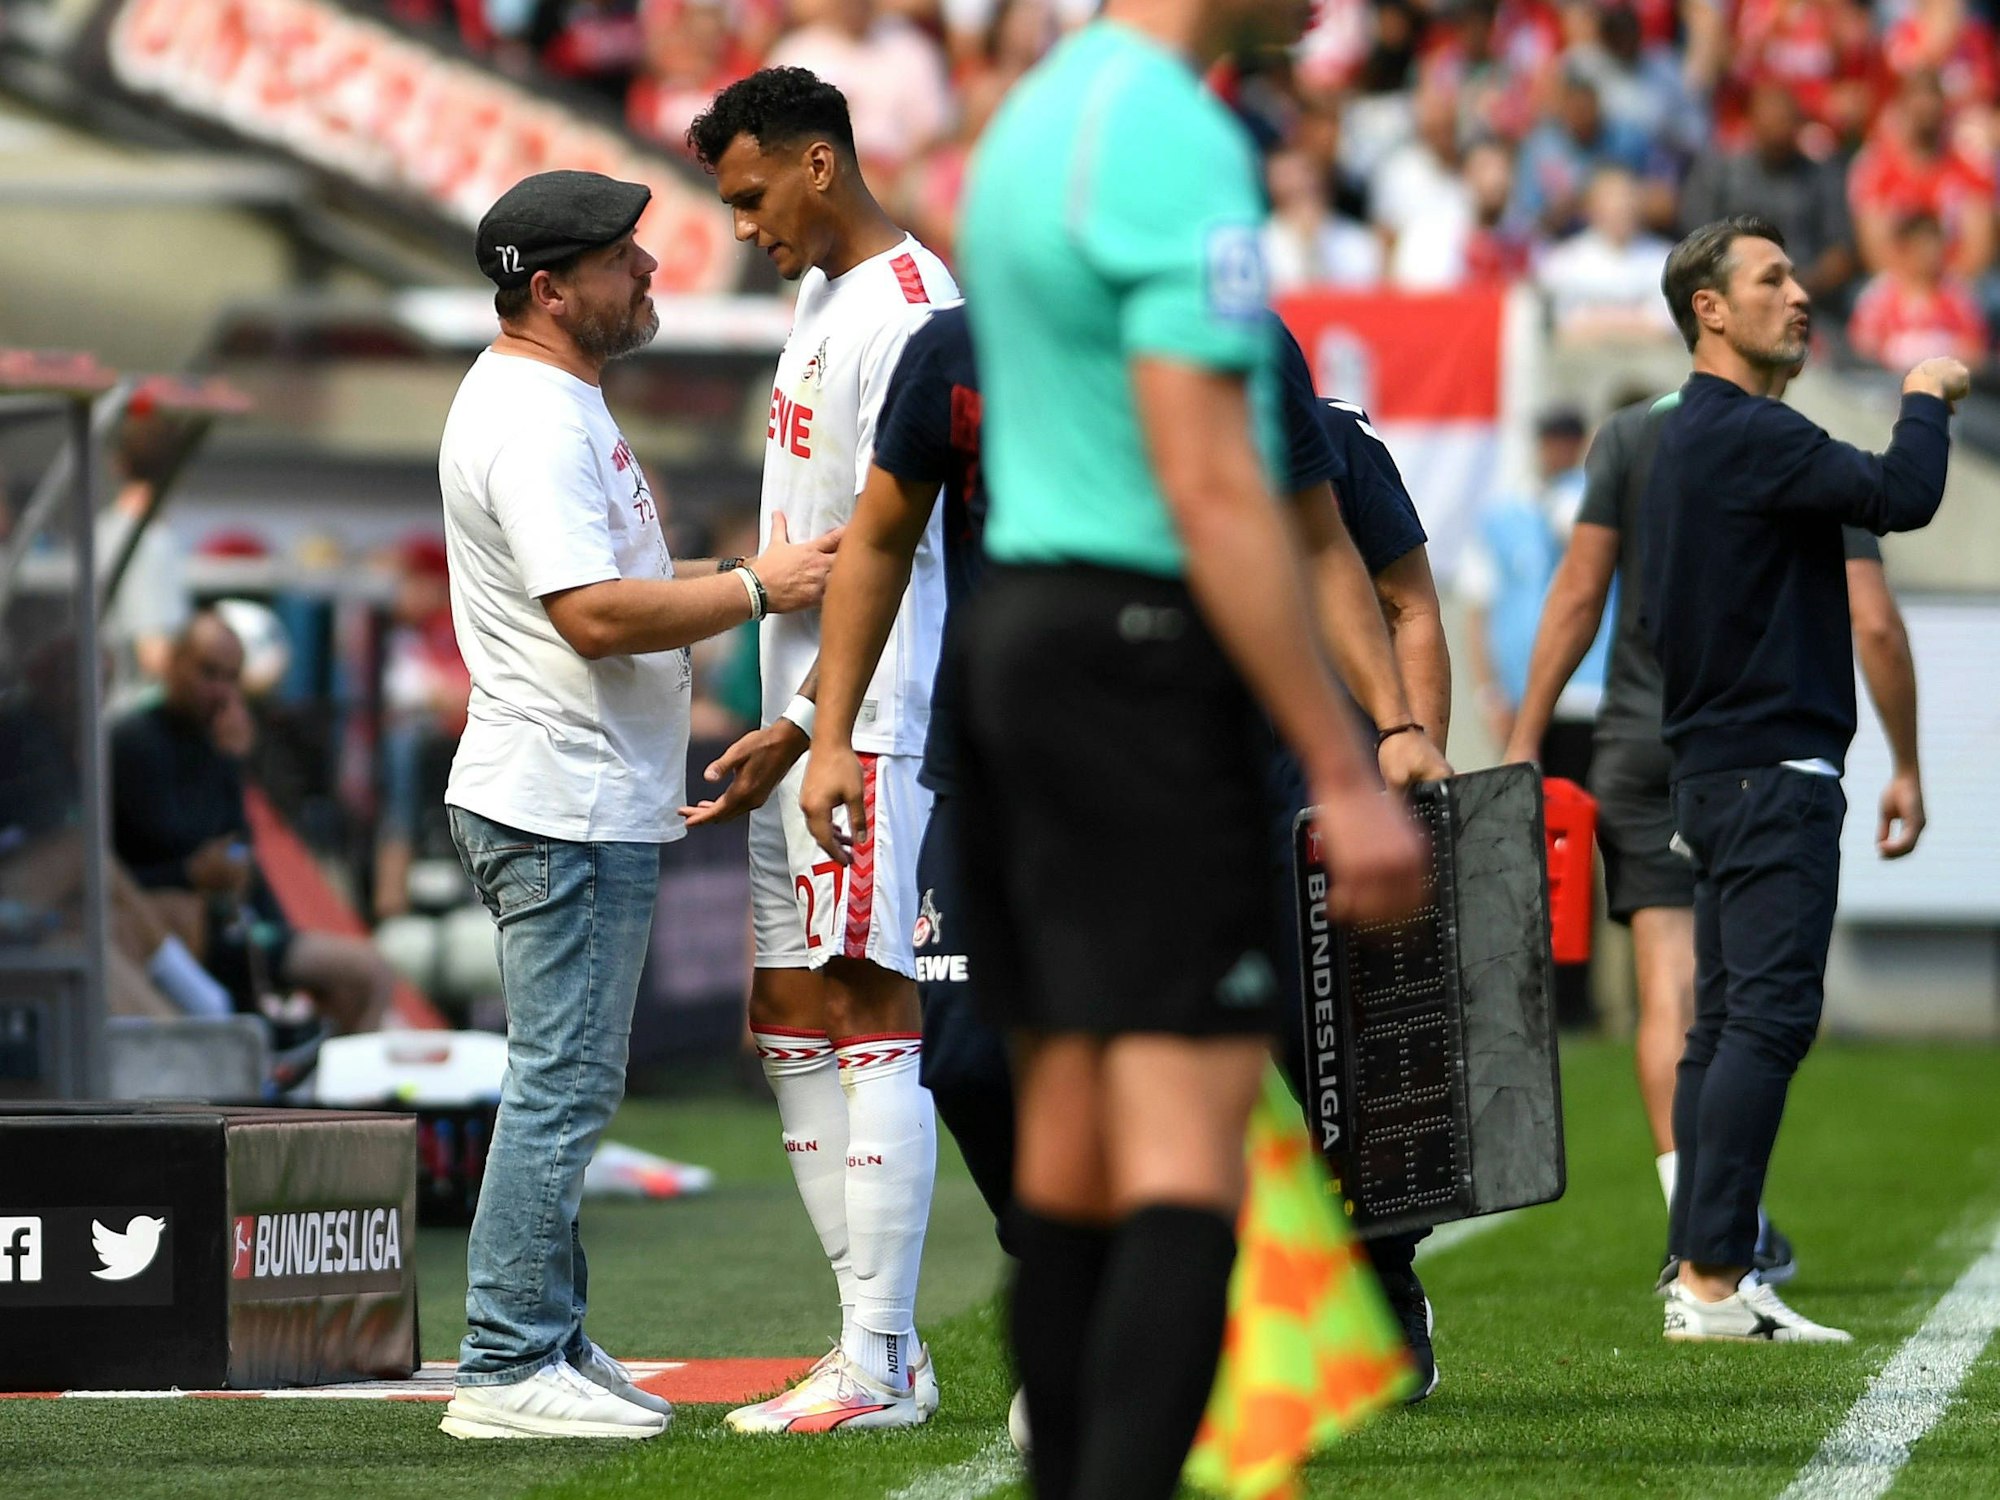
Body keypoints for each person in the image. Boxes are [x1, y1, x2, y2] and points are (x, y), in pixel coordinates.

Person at [798, 305, 1454, 1432]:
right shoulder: (954, 353)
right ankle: (1083, 1284)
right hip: (1002, 763)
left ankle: (1374, 1268)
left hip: (1217, 756)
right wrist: (827, 735)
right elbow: (878, 536)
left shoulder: (1236, 341)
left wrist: (1387, 732)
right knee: (965, 1063)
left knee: (1320, 1046)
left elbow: (1319, 544)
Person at [956, 2, 1429, 1493]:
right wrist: (1347, 769)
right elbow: (1213, 483)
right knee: (1186, 1147)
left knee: (1072, 1151)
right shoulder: (1173, 130)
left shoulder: (1035, 116)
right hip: (1141, 660)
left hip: (1020, 642)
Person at [431, 168, 838, 1441]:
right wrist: (755, 588)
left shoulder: (546, 396)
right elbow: (594, 612)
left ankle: (545, 1335)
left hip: (570, 786)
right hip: (562, 796)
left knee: (564, 1083)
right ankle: (502, 1362)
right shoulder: (538, 419)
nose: (650, 271)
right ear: (551, 290)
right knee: (560, 1089)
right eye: (623, 259)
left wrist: (731, 586)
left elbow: (610, 590)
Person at [1500, 371, 1926, 1292]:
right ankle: (1717, 1237)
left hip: (1635, 741)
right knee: (1754, 1007)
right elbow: (1873, 620)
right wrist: (1906, 761)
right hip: (1747, 743)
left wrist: (1526, 735)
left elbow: (1579, 593)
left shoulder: (1620, 442)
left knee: (1671, 991)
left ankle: (1688, 1220)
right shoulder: (1792, 442)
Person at [685, 68, 959, 1434]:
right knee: (791, 1019)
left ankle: (882, 1354)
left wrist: (826, 726)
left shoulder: (913, 314)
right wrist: (789, 719)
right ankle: (873, 1341)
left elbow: (887, 546)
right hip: (812, 719)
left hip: (877, 721)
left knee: (867, 1005)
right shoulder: (822, 295)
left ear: (819, 163)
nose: (743, 227)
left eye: (750, 196)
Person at [1639, 213, 1966, 1342]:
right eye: (1768, 277)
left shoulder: (1688, 439)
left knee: (1721, 1022)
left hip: (1713, 773)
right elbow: (1902, 493)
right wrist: (1923, 389)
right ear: (1708, 311)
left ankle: (1699, 1270)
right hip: (1768, 775)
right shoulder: (1745, 434)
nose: (1796, 293)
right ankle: (1713, 1279)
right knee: (1764, 1020)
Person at [110, 613, 396, 1038]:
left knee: (368, 973)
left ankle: (325, 1091)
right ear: (174, 663)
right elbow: (157, 847)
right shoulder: (132, 742)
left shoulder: (219, 744)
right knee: (184, 916)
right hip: (170, 925)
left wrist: (233, 763)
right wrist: (191, 873)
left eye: (230, 678)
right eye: (208, 672)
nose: (220, 691)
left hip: (243, 929)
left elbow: (240, 840)